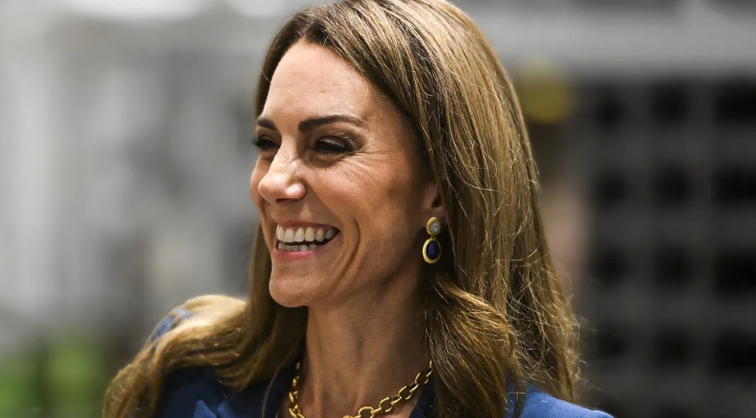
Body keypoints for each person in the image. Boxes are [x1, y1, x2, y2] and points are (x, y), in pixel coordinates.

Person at [102, 1, 612, 418]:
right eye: (266, 143)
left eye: (328, 145)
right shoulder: (184, 383)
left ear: (438, 189)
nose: (273, 181)